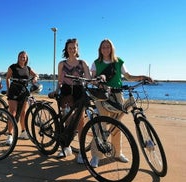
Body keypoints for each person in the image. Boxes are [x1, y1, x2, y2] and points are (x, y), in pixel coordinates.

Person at [90, 39, 153, 167]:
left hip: (117, 95)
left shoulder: (118, 62)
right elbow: (93, 80)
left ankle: (117, 153)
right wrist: (100, 83)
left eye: (108, 47)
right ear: (100, 49)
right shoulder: (96, 63)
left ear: (112, 48)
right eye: (103, 47)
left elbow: (128, 76)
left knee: (117, 125)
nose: (106, 49)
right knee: (101, 125)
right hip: (102, 96)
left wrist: (142, 77)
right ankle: (96, 156)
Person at [50, 38, 91, 162]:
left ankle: (81, 152)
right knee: (67, 121)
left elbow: (88, 78)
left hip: (79, 91)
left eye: (74, 48)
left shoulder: (83, 63)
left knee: (80, 123)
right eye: (69, 48)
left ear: (77, 49)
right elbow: (60, 81)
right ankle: (66, 147)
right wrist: (56, 91)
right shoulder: (62, 64)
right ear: (66, 50)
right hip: (66, 92)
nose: (72, 50)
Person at [5, 51, 39, 145]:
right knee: (13, 113)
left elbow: (36, 75)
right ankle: (9, 135)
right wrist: (8, 89)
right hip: (13, 91)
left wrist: (35, 78)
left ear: (26, 59)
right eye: (21, 57)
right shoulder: (13, 67)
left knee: (23, 113)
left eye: (24, 57)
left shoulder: (28, 68)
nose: (22, 58)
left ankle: (23, 132)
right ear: (18, 57)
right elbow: (7, 78)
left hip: (24, 92)